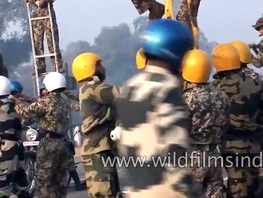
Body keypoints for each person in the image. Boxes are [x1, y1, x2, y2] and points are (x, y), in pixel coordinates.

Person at [115, 19, 196, 197]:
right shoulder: (166, 87)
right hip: (165, 190)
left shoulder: (129, 87)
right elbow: (175, 151)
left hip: (138, 191)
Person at [211, 43, 263, 198]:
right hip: (255, 141)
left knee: (237, 186)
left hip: (230, 144)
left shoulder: (216, 87)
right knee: (257, 183)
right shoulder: (255, 82)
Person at [229, 40, 263, 197]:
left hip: (236, 139)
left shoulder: (224, 81)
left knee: (240, 178)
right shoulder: (258, 79)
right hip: (260, 134)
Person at [72, 52, 121, 198]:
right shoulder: (93, 87)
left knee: (112, 192)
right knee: (104, 194)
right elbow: (122, 93)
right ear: (89, 68)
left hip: (101, 148)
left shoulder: (88, 88)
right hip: (97, 149)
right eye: (99, 64)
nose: (103, 68)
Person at [181, 49, 230, 197]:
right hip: (214, 153)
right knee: (215, 191)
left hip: (192, 155)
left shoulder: (186, 99)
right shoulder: (221, 95)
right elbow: (226, 124)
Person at [13, 72, 70, 198]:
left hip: (48, 145)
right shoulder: (63, 101)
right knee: (59, 181)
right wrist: (28, 98)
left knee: (44, 181)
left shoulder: (46, 102)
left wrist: (17, 102)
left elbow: (26, 114)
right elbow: (43, 105)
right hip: (62, 143)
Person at [24, 0, 64, 75]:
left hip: (48, 13)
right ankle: (40, 66)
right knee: (37, 42)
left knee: (52, 40)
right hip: (36, 15)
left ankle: (57, 65)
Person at [0, 76, 32, 198]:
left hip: (5, 149)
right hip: (18, 147)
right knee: (22, 187)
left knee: (3, 189)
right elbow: (28, 120)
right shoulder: (16, 105)